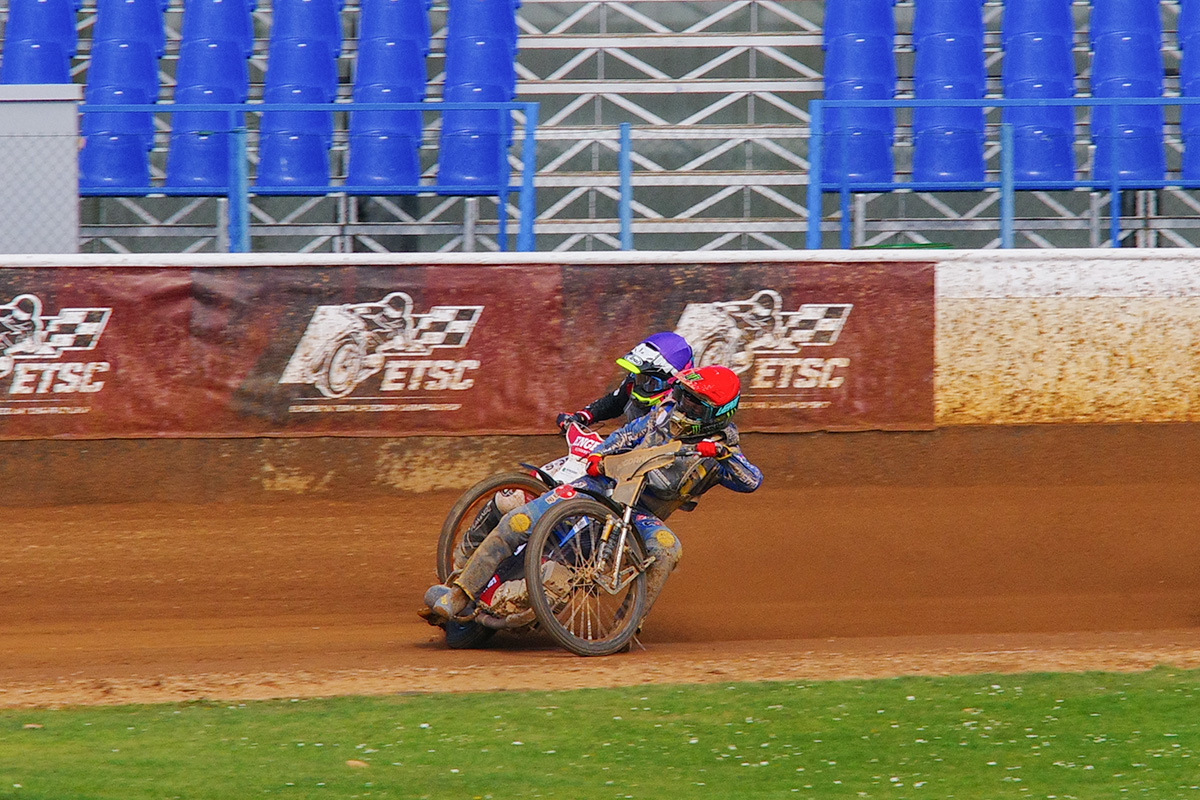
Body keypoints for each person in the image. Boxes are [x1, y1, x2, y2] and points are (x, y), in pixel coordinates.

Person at [422, 364, 763, 626]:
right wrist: (600, 456)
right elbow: (628, 433)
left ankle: (627, 626)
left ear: (718, 414)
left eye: (696, 404)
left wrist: (721, 454)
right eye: (685, 396)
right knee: (519, 520)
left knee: (667, 548)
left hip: (639, 515)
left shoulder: (724, 448)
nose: (685, 406)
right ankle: (459, 594)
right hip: (600, 487)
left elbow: (752, 480)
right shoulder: (663, 414)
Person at [556, 331, 695, 430]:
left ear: (674, 382)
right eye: (641, 378)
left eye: (651, 382)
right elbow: (615, 402)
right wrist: (583, 416)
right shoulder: (632, 384)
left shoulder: (691, 404)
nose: (641, 385)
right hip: (631, 446)